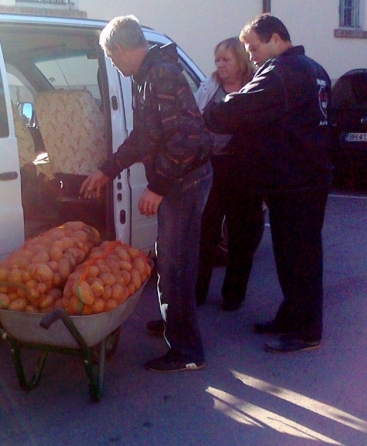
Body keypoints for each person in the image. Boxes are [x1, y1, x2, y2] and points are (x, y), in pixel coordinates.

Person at [80, 15, 213, 372]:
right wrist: (108, 170)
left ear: (120, 49)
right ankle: (177, 325)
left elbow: (188, 136)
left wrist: (158, 186)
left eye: (110, 58)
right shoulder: (148, 75)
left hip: (184, 182)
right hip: (180, 180)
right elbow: (145, 137)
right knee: (170, 260)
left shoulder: (161, 74)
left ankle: (187, 352)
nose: (112, 64)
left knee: (175, 265)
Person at [202, 14, 334, 353]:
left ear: (276, 39)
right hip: (307, 177)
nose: (251, 56)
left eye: (253, 48)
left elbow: (245, 106)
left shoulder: (282, 72)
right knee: (296, 255)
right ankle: (291, 315)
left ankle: (305, 331)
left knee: (298, 257)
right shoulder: (315, 69)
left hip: (295, 181)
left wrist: (206, 114)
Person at [193, 37, 264, 312]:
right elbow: (195, 119)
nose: (220, 65)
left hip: (244, 170)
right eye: (217, 60)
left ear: (241, 61)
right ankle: (197, 291)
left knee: (242, 234)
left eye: (226, 60)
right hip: (211, 168)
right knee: (205, 232)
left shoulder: (256, 86)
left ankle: (234, 294)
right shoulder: (209, 86)